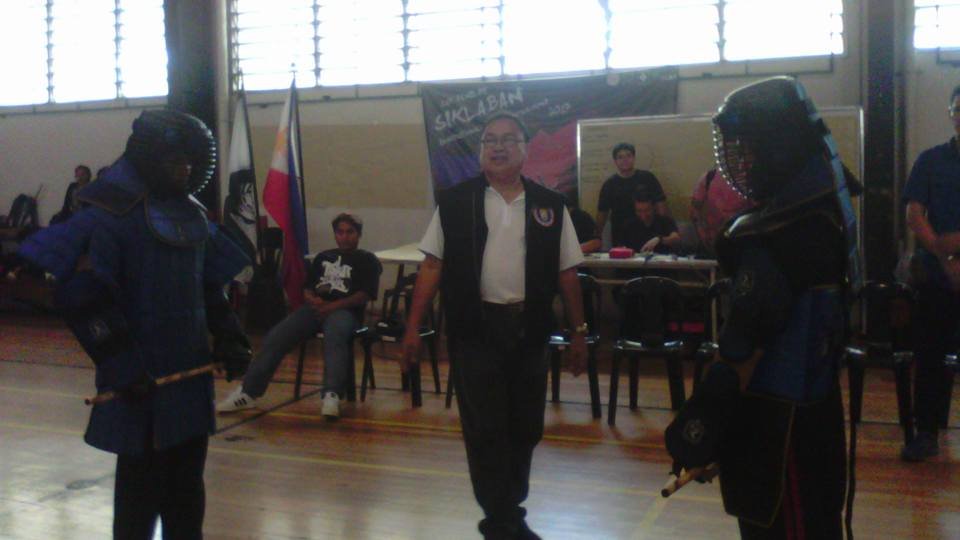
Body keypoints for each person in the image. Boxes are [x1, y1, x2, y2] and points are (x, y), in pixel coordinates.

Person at [18, 109, 253, 539]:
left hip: (189, 378)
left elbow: (208, 287)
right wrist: (122, 364)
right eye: (176, 161)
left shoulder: (192, 215)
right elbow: (83, 299)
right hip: (139, 380)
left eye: (191, 162)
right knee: (139, 496)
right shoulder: (108, 216)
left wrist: (229, 336)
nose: (186, 169)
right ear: (150, 158)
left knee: (187, 489)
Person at [664, 77, 860, 539]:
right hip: (814, 410)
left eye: (750, 147)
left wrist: (701, 427)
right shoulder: (823, 212)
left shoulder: (787, 232)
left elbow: (742, 346)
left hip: (780, 424)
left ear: (780, 144)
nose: (743, 162)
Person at [401, 111, 587, 540]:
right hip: (475, 331)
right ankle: (500, 521)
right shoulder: (454, 202)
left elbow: (567, 274)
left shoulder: (549, 205)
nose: (498, 147)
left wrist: (579, 333)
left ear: (525, 149)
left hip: (530, 331)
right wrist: (412, 328)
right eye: (489, 140)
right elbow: (431, 266)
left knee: (525, 427)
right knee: (484, 429)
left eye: (507, 139)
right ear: (481, 150)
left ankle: (508, 511)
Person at [217, 212, 381, 420]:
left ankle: (331, 394)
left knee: (335, 337)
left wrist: (333, 306)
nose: (345, 237)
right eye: (340, 232)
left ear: (358, 235)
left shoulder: (367, 260)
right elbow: (307, 288)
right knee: (277, 336)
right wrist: (313, 300)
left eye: (350, 232)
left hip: (345, 311)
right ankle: (248, 392)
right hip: (315, 309)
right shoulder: (323, 257)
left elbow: (364, 295)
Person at [900, 83, 960, 462]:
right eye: (959, 109)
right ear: (951, 114)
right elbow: (914, 214)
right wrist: (945, 254)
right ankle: (926, 432)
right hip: (938, 272)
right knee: (929, 352)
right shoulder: (931, 160)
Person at [595, 142, 668, 246]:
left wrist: (664, 230)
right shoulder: (609, 184)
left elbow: (661, 205)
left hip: (649, 234)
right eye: (620, 157)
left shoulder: (648, 178)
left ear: (634, 158)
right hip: (621, 237)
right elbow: (602, 214)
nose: (625, 160)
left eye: (628, 156)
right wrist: (597, 237)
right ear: (615, 161)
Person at [689, 167, 754, 257]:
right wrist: (704, 235)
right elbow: (694, 211)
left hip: (742, 245)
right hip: (711, 244)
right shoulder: (709, 177)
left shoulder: (750, 180)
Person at [621, 188, 681, 254]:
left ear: (654, 207)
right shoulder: (629, 225)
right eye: (639, 211)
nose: (643, 215)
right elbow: (622, 248)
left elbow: (676, 239)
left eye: (647, 210)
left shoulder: (665, 221)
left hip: (662, 259)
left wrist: (659, 239)